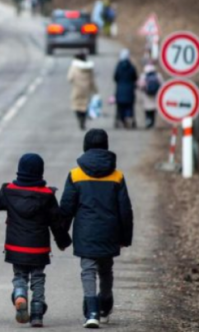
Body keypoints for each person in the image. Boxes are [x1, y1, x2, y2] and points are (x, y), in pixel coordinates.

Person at [59, 129, 134, 328]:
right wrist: (125, 237)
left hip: (85, 231)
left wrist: (61, 235)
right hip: (110, 231)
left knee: (88, 269)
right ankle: (105, 303)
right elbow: (125, 209)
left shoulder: (75, 174)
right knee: (106, 268)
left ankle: (91, 311)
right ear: (106, 146)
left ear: (85, 146)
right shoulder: (117, 176)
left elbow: (67, 207)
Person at [0, 153, 72, 327]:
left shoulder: (9, 191)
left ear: (19, 171)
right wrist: (63, 241)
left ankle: (20, 294)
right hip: (39, 249)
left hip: (15, 247)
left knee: (19, 275)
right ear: (40, 172)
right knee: (38, 278)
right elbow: (57, 223)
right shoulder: (47, 195)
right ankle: (37, 314)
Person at [67, 52, 98, 130]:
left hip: (77, 89)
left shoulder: (74, 67)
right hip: (87, 90)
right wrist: (95, 91)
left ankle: (79, 119)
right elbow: (92, 80)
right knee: (85, 106)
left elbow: (69, 78)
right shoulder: (89, 68)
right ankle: (83, 120)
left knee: (77, 105)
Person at [113, 49, 138, 129]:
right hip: (130, 90)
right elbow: (135, 77)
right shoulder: (131, 67)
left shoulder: (118, 66)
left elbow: (115, 77)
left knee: (120, 107)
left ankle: (121, 120)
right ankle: (129, 119)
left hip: (120, 90)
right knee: (129, 106)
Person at [137, 64, 164, 128]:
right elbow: (162, 85)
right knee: (153, 110)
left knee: (147, 110)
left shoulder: (143, 76)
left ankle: (148, 121)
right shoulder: (158, 75)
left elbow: (140, 85)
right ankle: (152, 122)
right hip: (155, 95)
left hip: (146, 96)